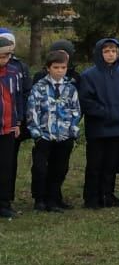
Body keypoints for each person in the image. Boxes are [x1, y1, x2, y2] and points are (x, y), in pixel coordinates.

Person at [77, 37, 119, 209]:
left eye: (114, 51)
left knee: (112, 163)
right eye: (106, 51)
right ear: (99, 53)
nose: (110, 54)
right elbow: (86, 101)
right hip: (98, 127)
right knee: (95, 164)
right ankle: (92, 197)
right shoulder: (89, 75)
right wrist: (107, 114)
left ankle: (108, 194)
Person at [27, 49, 80, 212]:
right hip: (44, 135)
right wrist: (36, 133)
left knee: (60, 168)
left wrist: (72, 130)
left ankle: (53, 198)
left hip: (64, 136)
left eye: (63, 68)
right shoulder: (39, 87)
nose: (59, 71)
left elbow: (75, 110)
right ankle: (39, 199)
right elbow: (32, 110)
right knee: (40, 169)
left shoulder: (70, 88)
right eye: (56, 67)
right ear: (48, 68)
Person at [0, 30, 31, 219]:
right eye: (2, 56)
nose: (5, 60)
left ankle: (4, 203)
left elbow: (18, 97)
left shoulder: (14, 72)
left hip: (9, 127)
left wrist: (18, 121)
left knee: (6, 166)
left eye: (7, 56)